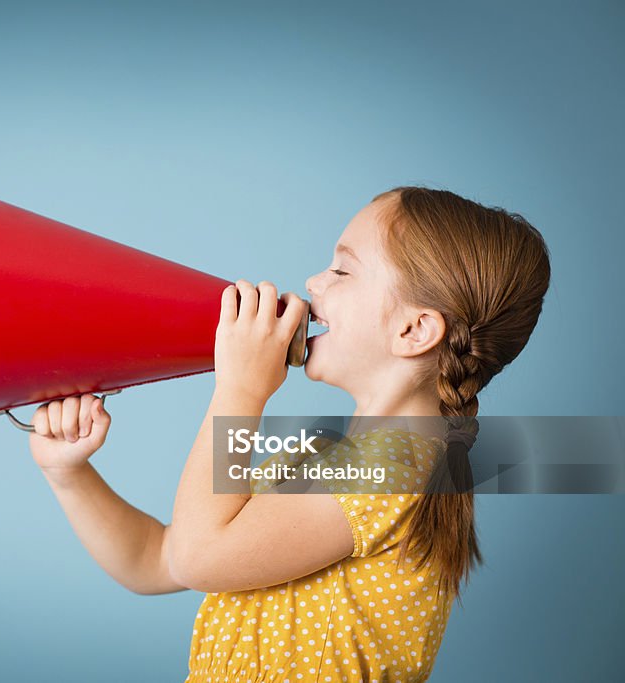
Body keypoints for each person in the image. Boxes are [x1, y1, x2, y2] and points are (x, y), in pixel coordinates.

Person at [27, 187, 551, 682]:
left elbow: (195, 555)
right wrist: (69, 473)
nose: (314, 283)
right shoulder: (320, 455)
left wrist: (242, 391)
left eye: (342, 270)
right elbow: (159, 559)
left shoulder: (398, 466)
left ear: (413, 331)